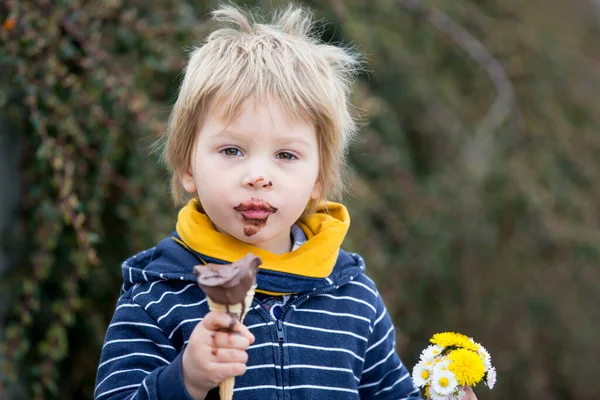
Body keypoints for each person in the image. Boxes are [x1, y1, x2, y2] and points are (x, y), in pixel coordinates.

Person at [94, 4, 478, 400]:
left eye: (286, 156)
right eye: (231, 150)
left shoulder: (352, 298)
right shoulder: (157, 295)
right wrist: (186, 379)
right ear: (187, 165)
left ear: (318, 179)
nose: (259, 176)